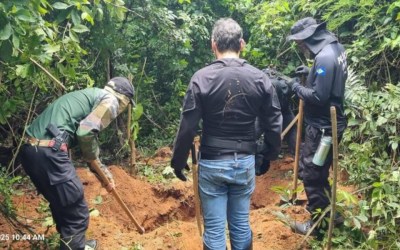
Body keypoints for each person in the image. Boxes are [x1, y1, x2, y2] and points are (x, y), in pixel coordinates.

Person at [170, 18, 282, 250]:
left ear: (213, 45)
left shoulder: (201, 78)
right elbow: (273, 122)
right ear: (241, 44)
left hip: (212, 162)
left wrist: (178, 161)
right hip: (244, 162)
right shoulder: (260, 78)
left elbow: (188, 127)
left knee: (214, 228)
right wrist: (268, 155)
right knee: (241, 224)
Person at [19, 77, 134, 250]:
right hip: (50, 152)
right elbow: (86, 132)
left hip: (30, 151)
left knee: (61, 203)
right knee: (76, 210)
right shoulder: (110, 101)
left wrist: (103, 174)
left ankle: (73, 245)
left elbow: (83, 135)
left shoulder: (91, 95)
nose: (122, 110)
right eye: (125, 106)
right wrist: (99, 167)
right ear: (123, 100)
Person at [286, 17, 348, 236]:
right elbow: (327, 78)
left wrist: (294, 86)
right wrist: (310, 72)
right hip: (332, 123)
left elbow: (318, 96)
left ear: (308, 39)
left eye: (300, 43)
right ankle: (332, 215)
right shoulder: (335, 48)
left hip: (323, 130)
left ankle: (318, 226)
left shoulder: (323, 58)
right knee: (319, 171)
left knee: (312, 174)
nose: (299, 47)